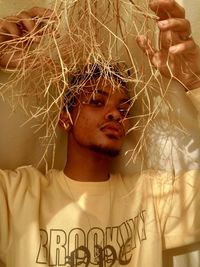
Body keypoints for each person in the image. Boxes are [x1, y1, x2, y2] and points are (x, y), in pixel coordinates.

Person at [0, 1, 200, 267]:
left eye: (123, 108)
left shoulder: (152, 198)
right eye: (96, 101)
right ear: (65, 117)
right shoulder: (16, 196)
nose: (115, 113)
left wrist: (194, 80)